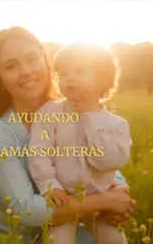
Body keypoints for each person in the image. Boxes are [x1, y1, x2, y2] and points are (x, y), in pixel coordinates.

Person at [0, 28, 135, 241]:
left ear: (45, 62)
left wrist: (119, 188)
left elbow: (93, 159)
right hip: (14, 236)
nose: (26, 71)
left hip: (67, 221)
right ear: (0, 80)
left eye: (32, 59)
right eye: (11, 66)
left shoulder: (71, 108)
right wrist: (107, 201)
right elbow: (25, 210)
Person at [27, 42, 131, 243]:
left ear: (102, 79)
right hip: (64, 200)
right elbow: (39, 153)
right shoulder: (50, 114)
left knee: (115, 239)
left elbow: (109, 162)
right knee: (57, 239)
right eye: (64, 73)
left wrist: (89, 119)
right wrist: (51, 186)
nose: (70, 78)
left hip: (102, 205)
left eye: (79, 71)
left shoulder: (116, 125)